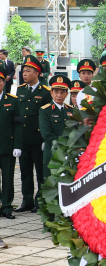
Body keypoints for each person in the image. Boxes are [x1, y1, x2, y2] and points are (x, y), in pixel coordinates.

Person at [15, 55, 51, 214]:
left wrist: (45, 139)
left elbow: (47, 116)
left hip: (38, 139)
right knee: (25, 172)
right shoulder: (20, 90)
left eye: (28, 71)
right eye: (23, 71)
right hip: (24, 138)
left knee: (41, 173)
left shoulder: (45, 92)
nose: (24, 74)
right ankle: (26, 200)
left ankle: (40, 201)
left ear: (37, 73)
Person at [39, 75, 74, 179]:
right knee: (51, 184)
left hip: (69, 154)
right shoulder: (45, 110)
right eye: (56, 92)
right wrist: (65, 143)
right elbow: (47, 135)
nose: (59, 95)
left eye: (62, 92)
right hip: (52, 154)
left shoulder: (71, 110)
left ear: (67, 94)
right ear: (51, 93)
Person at [0, 67, 21, 219]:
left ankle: (7, 206)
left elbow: (18, 125)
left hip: (7, 146)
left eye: (0, 81)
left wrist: (17, 145)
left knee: (8, 178)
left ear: (4, 83)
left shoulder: (12, 101)